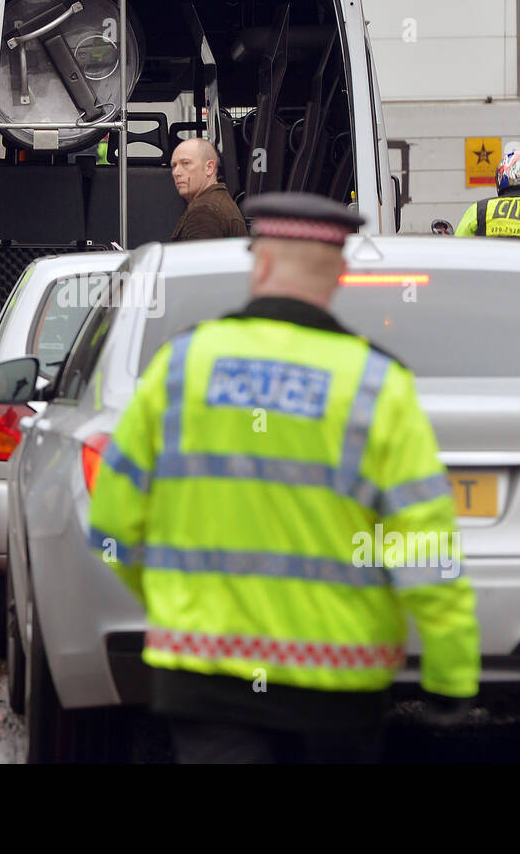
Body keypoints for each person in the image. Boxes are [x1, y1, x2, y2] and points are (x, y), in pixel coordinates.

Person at [87, 192, 480, 764]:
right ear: (340, 274)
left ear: (260, 264)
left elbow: (111, 526)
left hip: (204, 672)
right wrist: (450, 669)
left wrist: (176, 600)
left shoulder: (179, 367)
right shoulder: (377, 386)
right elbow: (424, 542)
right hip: (338, 682)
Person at [168, 138, 248, 240]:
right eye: (174, 166)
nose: (176, 172)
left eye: (186, 163)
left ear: (209, 168)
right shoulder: (217, 203)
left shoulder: (204, 211)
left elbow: (200, 255)